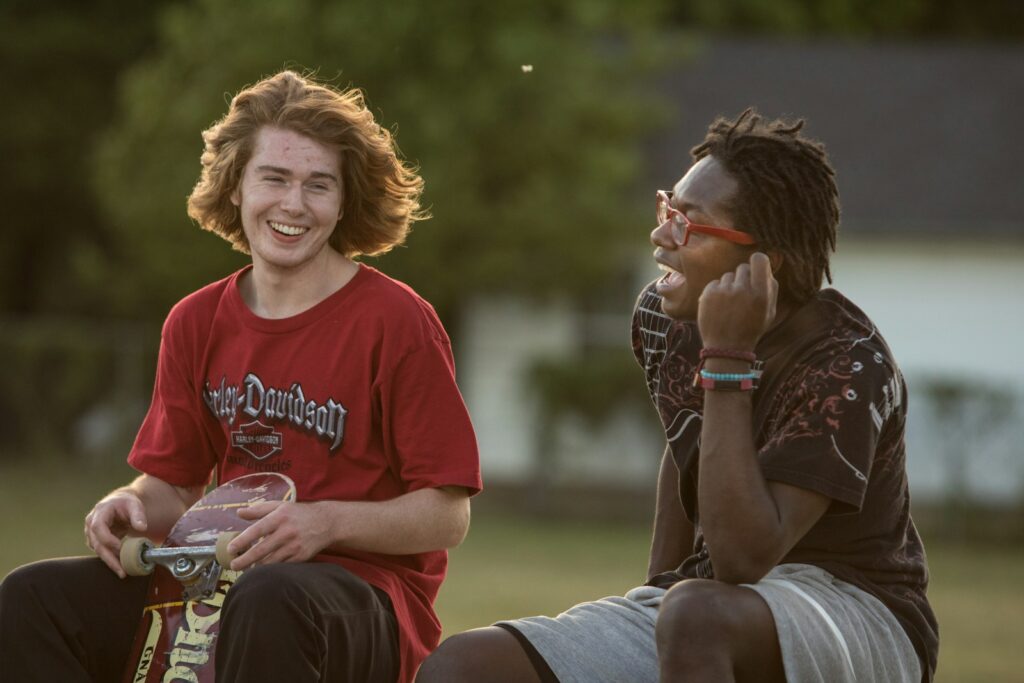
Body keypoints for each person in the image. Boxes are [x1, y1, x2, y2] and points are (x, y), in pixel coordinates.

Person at [416, 109, 938, 683]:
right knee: (461, 666)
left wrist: (729, 360)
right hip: (705, 607)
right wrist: (655, 588)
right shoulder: (667, 320)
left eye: (690, 224)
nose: (661, 236)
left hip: (857, 609)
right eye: (669, 209)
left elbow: (744, 559)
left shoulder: (847, 362)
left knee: (695, 612)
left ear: (766, 263)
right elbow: (685, 442)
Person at [0, 70, 481, 683]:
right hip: (213, 578)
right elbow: (172, 488)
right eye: (274, 178)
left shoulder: (397, 322)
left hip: (363, 598)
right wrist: (126, 505)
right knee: (34, 597)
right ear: (236, 187)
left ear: (344, 201)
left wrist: (323, 522)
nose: (293, 204)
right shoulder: (195, 322)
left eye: (319, 185)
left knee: (270, 596)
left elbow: (446, 515)